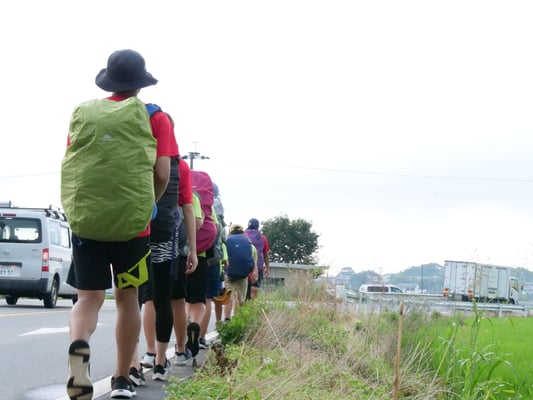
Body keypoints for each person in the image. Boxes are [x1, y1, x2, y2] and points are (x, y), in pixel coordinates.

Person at [65, 49, 173, 399]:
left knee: (88, 298)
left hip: (88, 222)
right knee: (128, 298)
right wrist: (147, 205)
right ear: (141, 83)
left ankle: (79, 344)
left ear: (109, 81)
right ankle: (122, 378)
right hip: (133, 228)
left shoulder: (85, 114)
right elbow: (162, 174)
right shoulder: (155, 117)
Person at [224, 224, 258, 311]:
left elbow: (224, 257)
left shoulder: (227, 240)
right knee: (241, 300)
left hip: (229, 273)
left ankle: (227, 318)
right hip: (243, 274)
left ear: (230, 231)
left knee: (229, 299)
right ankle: (240, 317)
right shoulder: (248, 242)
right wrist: (255, 272)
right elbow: (252, 258)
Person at [244, 218, 270, 300]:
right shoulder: (263, 238)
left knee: (243, 290)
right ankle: (251, 306)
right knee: (254, 288)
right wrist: (267, 267)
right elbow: (266, 254)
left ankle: (241, 306)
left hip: (244, 267)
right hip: (258, 267)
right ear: (258, 226)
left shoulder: (243, 236)